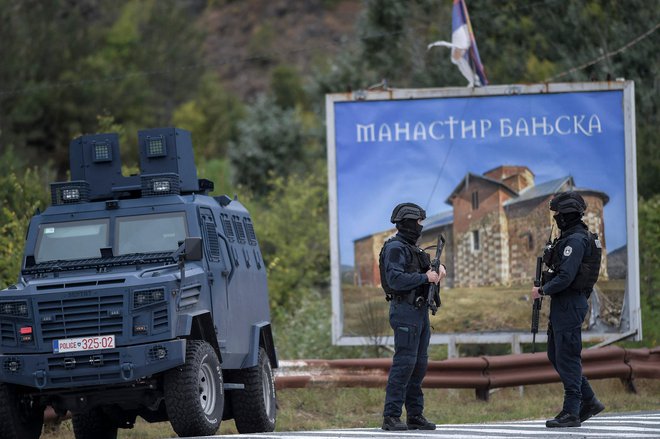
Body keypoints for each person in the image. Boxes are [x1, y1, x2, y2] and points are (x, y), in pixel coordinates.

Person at [532, 191, 606, 428]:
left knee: (567, 356)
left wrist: (542, 290)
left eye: (558, 214)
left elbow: (565, 276)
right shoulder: (571, 237)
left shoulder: (575, 241)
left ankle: (571, 411)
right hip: (565, 304)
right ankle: (590, 401)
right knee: (556, 355)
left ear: (567, 215)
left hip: (570, 303)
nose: (556, 219)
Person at [379, 202, 447, 431]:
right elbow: (396, 279)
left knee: (418, 366)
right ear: (408, 222)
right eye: (418, 221)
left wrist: (439, 271)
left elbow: (426, 270)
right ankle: (391, 416)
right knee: (404, 364)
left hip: (419, 313)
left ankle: (415, 415)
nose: (420, 226)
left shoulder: (412, 248)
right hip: (405, 311)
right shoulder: (395, 248)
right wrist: (425, 278)